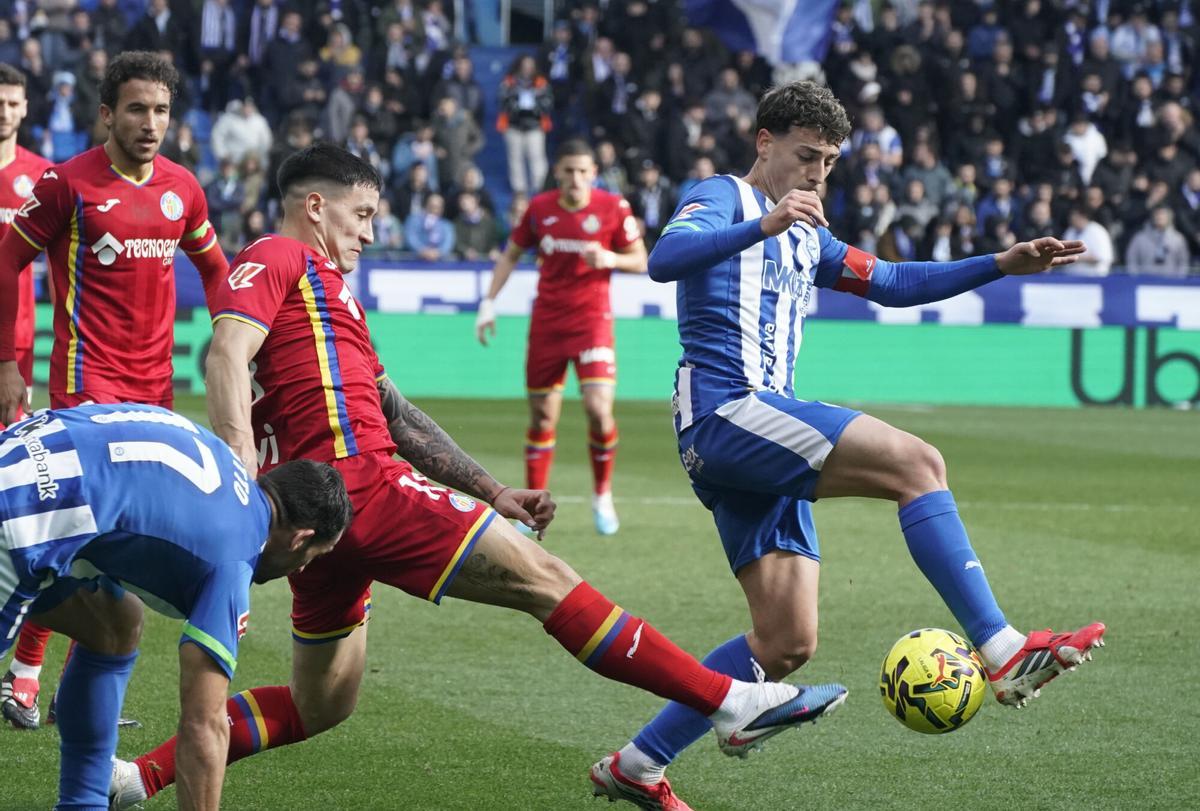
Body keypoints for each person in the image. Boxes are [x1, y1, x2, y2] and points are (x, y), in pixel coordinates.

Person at [109, 143, 849, 808]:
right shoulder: (276, 255)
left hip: (328, 517)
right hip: (360, 483)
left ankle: (136, 777)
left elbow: (398, 413)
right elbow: (226, 351)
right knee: (544, 577)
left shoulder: (335, 301)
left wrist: (491, 489)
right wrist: (238, 451)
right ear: (315, 206)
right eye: (361, 214)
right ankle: (727, 701)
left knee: (320, 703)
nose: (368, 232)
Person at [588, 81, 1106, 810]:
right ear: (764, 141)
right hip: (728, 410)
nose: (818, 174)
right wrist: (763, 224)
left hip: (748, 435)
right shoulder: (725, 197)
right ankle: (1002, 647)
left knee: (786, 639)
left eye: (830, 161)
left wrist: (999, 262)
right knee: (918, 464)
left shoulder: (808, 233)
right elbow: (665, 258)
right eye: (807, 156)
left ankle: (637, 765)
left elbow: (891, 280)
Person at [0, 51, 230, 729]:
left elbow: (216, 270)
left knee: (119, 547)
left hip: (152, 396)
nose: (150, 122)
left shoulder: (183, 190)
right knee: (70, 537)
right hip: (85, 387)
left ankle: (72, 684)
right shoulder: (66, 185)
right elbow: (7, 259)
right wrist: (6, 360)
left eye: (160, 110)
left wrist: (235, 337)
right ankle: (27, 675)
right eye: (136, 109)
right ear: (106, 114)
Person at [0, 402, 351, 809]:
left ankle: (84, 803)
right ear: (298, 538)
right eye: (314, 556)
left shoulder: (224, 458)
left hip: (22, 455)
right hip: (23, 515)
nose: (304, 569)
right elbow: (203, 726)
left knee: (114, 626)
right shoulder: (233, 561)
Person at [475, 139, 647, 535]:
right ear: (558, 172)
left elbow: (642, 259)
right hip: (548, 325)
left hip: (592, 323)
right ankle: (533, 503)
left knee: (599, 410)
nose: (575, 178)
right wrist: (489, 303)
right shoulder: (540, 209)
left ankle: (602, 494)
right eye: (568, 170)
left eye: (583, 171)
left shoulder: (613, 208)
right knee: (541, 417)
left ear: (593, 173)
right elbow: (510, 255)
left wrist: (612, 259)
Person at [0, 63, 53, 730]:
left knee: (29, 509)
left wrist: (21, 362)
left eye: (13, 100)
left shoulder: (45, 178)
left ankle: (26, 680)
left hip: (17, 366)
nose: (5, 109)